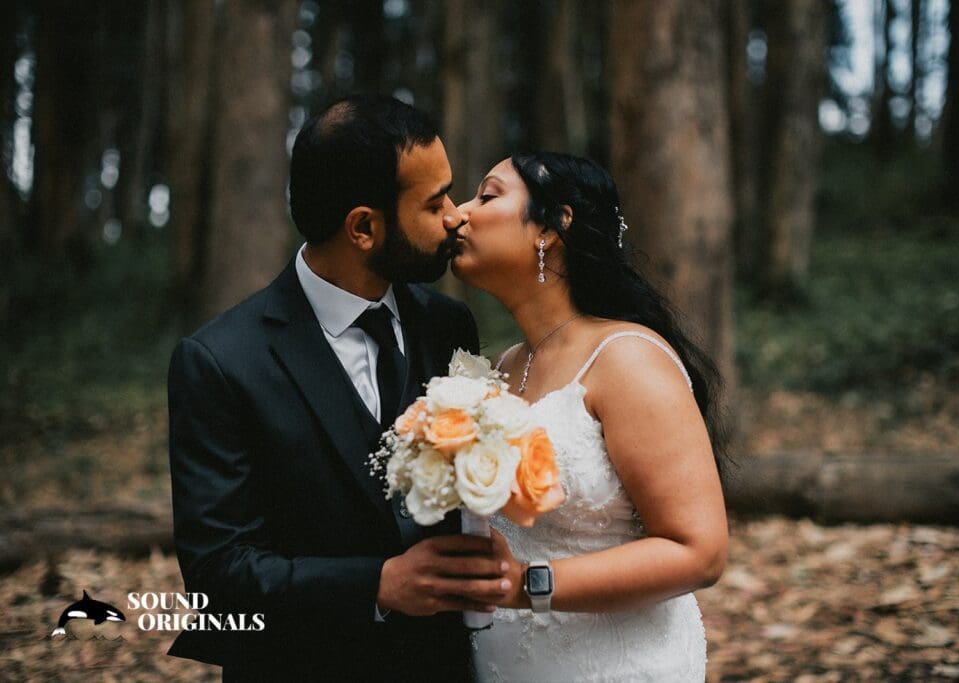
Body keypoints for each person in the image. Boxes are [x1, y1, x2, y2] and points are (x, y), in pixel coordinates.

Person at [166, 95, 514, 681]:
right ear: (363, 227)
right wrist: (376, 586)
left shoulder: (447, 325)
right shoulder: (219, 362)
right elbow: (219, 576)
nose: (456, 216)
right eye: (434, 203)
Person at [451, 152, 730, 682]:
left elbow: (700, 551)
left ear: (553, 226)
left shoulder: (626, 358)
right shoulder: (503, 367)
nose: (457, 214)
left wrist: (526, 585)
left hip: (616, 666)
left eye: (487, 195)